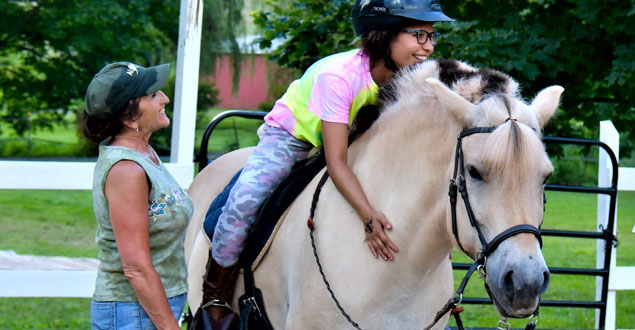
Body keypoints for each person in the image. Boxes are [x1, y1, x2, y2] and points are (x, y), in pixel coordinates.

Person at [199, 0, 454, 328]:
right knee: (245, 200)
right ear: (384, 35)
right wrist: (367, 217)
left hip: (354, 137)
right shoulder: (339, 77)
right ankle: (214, 293)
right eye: (419, 34)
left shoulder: (412, 81)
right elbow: (335, 161)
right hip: (296, 136)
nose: (428, 47)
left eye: (432, 37)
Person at [82, 62, 193, 330]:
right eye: (154, 95)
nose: (165, 98)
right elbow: (135, 268)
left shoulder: (145, 154)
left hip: (150, 308)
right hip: (131, 312)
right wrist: (169, 326)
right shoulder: (126, 170)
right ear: (130, 119)